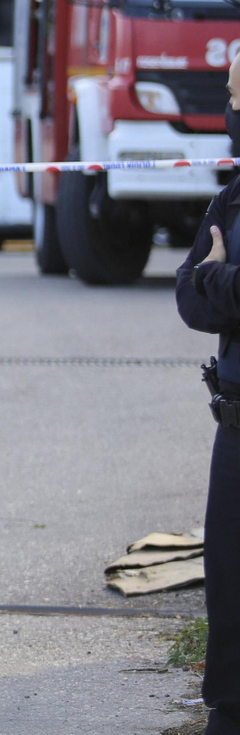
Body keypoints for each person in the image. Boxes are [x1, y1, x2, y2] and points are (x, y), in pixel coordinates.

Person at [175, 50, 240, 735]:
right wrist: (212, 283)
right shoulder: (232, 196)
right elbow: (187, 298)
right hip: (235, 428)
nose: (229, 111)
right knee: (228, 586)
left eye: (235, 96)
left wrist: (217, 281)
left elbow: (212, 287)